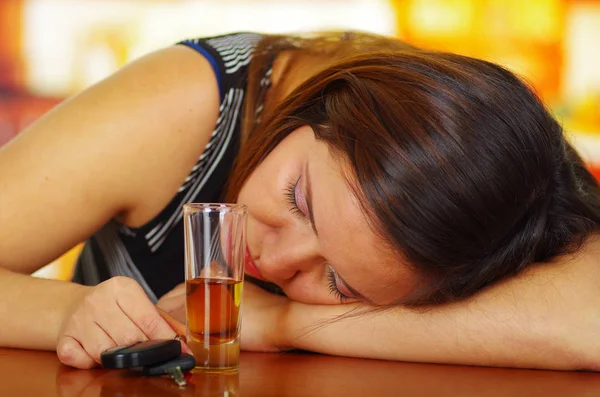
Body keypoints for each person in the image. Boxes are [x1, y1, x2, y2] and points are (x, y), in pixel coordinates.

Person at [1, 31, 599, 371]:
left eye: (341, 281)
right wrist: (73, 315)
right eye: (298, 198)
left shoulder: (516, 195)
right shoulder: (185, 107)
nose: (278, 259)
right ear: (315, 109)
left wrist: (289, 321)